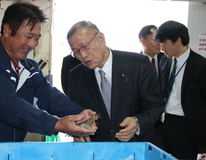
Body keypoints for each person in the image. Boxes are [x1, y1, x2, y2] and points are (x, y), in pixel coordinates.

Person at [0, 2, 97, 160]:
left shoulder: (29, 68)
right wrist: (55, 124)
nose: (33, 44)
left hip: (8, 154)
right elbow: (6, 105)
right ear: (7, 30)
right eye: (28, 37)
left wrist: (80, 113)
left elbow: (49, 97)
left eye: (37, 38)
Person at [66, 20, 164, 148]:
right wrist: (79, 128)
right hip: (98, 148)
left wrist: (137, 122)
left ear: (101, 38)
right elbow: (75, 111)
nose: (83, 55)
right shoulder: (76, 75)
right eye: (76, 52)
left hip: (137, 146)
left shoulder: (138, 64)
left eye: (85, 47)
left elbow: (155, 106)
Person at [155, 20, 206, 160]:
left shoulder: (201, 65)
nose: (162, 48)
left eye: (164, 44)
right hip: (163, 124)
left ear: (178, 40)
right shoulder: (165, 60)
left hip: (186, 127)